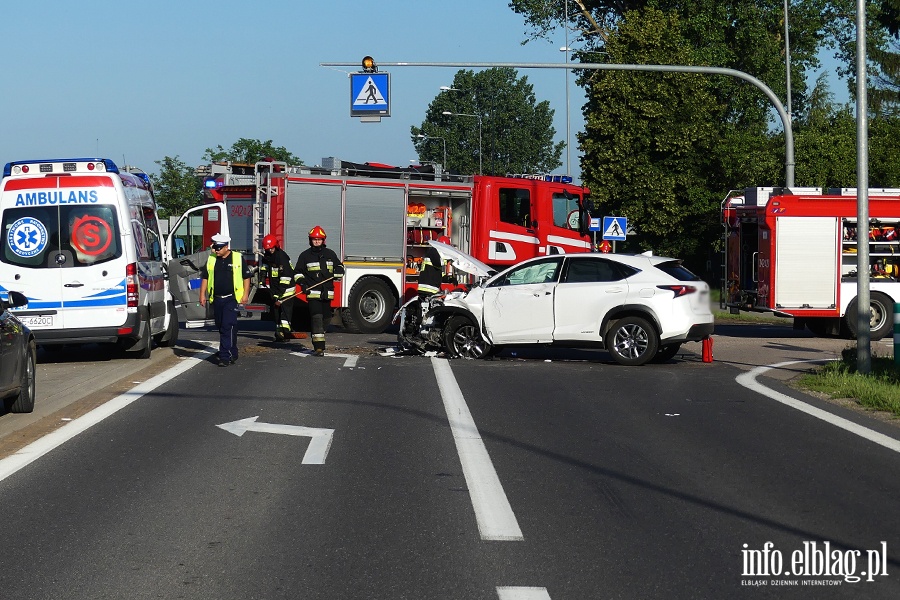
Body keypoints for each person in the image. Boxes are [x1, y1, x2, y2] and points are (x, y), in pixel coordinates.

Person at [199, 233, 251, 367]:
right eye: (215, 247)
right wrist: (202, 294)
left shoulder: (237, 258)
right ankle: (232, 351)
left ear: (226, 247)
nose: (216, 250)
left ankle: (224, 356)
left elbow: (246, 278)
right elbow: (205, 277)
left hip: (231, 299)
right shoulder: (211, 259)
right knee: (222, 326)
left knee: (228, 325)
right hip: (216, 299)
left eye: (218, 248)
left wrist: (245, 295)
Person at [294, 226, 344, 356]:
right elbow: (297, 273)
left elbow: (339, 267)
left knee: (327, 318)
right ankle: (319, 347)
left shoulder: (330, 254)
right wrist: (302, 283)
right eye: (314, 239)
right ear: (310, 240)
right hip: (312, 293)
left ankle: (320, 333)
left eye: (319, 239)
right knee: (316, 318)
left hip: (327, 293)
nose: (316, 242)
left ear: (323, 240)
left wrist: (339, 271)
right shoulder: (305, 256)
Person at [260, 234, 295, 342]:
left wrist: (279, 294)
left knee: (285, 312)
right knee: (276, 313)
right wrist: (262, 276)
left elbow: (285, 278)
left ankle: (286, 334)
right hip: (275, 289)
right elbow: (265, 266)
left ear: (276, 246)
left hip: (286, 290)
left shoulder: (282, 257)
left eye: (271, 248)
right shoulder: (268, 255)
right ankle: (279, 334)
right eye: (267, 249)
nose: (269, 250)